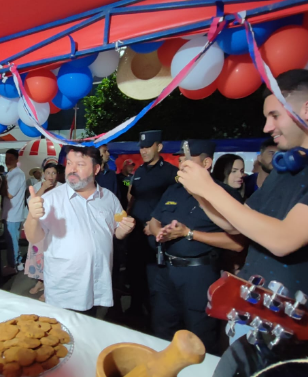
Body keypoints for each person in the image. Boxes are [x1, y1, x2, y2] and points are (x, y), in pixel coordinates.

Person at [177, 69, 308, 341]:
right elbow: (236, 223)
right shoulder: (285, 169)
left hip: (291, 330)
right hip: (253, 315)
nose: (267, 128)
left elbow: (284, 239)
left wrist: (210, 188)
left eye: (274, 116)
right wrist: (199, 192)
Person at [149, 140, 246, 355]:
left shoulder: (224, 194)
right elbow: (154, 220)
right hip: (165, 270)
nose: (180, 161)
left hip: (198, 275)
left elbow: (236, 243)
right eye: (180, 157)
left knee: (200, 337)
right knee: (162, 329)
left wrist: (189, 234)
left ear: (206, 162)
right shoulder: (173, 190)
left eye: (186, 157)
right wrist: (161, 234)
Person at [24, 145, 135, 316]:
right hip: (65, 288)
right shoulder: (51, 199)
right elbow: (34, 237)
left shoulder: (109, 198)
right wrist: (32, 216)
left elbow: (116, 232)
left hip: (96, 284)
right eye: (69, 163)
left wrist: (125, 230)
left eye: (80, 164)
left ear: (96, 169)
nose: (72, 169)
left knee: (87, 332)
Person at [126, 130, 177, 322]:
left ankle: (155, 319)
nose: (144, 151)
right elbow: (134, 198)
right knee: (135, 275)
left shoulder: (171, 172)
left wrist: (157, 223)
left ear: (159, 147)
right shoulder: (139, 171)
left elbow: (175, 202)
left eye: (148, 146)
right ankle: (135, 312)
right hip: (136, 234)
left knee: (155, 281)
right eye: (141, 147)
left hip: (156, 236)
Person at [25, 163, 62, 302]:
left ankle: (49, 287)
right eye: (48, 173)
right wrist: (43, 188)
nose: (51, 176)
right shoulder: (37, 186)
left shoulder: (62, 187)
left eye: (54, 173)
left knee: (50, 257)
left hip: (55, 227)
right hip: (39, 226)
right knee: (39, 256)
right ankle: (40, 281)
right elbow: (31, 203)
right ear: (43, 173)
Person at [2, 149, 26, 274]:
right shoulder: (10, 173)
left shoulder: (17, 174)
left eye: (11, 158)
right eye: (6, 158)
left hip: (13, 214)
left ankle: (14, 265)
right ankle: (17, 262)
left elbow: (10, 194)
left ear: (17, 160)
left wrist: (1, 186)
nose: (7, 161)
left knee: (12, 242)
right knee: (11, 241)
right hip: (9, 213)